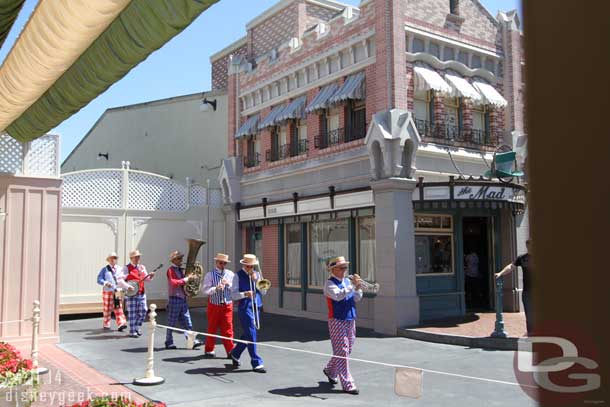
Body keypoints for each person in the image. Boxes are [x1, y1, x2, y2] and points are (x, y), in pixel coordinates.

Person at [323, 256, 363, 395]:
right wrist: (352, 286)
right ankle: (348, 383)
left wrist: (358, 288)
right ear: (333, 269)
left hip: (350, 318)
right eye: (342, 267)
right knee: (343, 351)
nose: (345, 270)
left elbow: (356, 298)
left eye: (345, 267)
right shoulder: (329, 284)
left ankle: (330, 370)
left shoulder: (347, 281)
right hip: (336, 319)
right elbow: (338, 296)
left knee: (347, 348)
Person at [229, 254, 267, 373]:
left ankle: (235, 353)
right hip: (245, 307)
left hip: (256, 306)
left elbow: (264, 292)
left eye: (252, 266)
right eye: (249, 266)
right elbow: (233, 295)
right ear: (244, 265)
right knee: (251, 332)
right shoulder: (237, 276)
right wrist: (245, 294)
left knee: (249, 333)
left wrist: (257, 280)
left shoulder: (258, 274)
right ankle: (256, 362)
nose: (251, 268)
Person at [164, 250, 203, 350]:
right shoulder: (170, 270)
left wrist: (193, 277)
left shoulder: (181, 270)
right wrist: (186, 279)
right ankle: (168, 342)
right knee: (171, 322)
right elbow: (173, 282)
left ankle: (191, 341)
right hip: (174, 298)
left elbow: (187, 282)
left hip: (183, 298)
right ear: (173, 260)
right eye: (179, 258)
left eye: (181, 258)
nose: (181, 260)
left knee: (187, 321)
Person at [496, 239, 533, 334]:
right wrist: (500, 273)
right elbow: (511, 267)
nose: (530, 247)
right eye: (528, 245)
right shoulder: (522, 258)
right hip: (527, 292)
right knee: (529, 316)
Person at [202, 253, 235, 358]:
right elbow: (205, 290)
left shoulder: (230, 274)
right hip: (214, 305)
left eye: (224, 263)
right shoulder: (210, 275)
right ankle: (209, 349)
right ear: (216, 262)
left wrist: (228, 284)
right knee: (212, 327)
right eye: (221, 263)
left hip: (227, 305)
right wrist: (215, 288)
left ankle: (230, 351)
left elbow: (235, 289)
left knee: (228, 329)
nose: (222, 265)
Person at [120, 249, 156, 338]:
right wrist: (127, 286)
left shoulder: (142, 267)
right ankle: (132, 331)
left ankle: (137, 326)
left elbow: (146, 279)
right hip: (131, 293)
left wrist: (150, 276)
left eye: (138, 256)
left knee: (144, 310)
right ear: (131, 258)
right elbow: (120, 280)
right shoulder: (126, 268)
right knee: (132, 312)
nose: (137, 258)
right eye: (136, 257)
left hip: (141, 292)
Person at [96, 252, 127, 331]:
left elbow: (123, 279)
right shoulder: (104, 269)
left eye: (115, 258)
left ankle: (121, 323)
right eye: (112, 258)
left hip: (117, 291)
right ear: (108, 260)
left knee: (118, 307)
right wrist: (105, 283)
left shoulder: (120, 269)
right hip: (107, 291)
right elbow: (99, 279)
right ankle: (106, 323)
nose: (113, 260)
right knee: (107, 308)